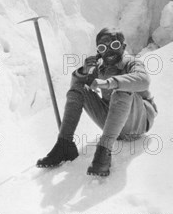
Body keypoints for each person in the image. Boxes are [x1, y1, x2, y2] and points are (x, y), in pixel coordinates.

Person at [36, 27, 158, 176]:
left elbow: (143, 80)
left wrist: (110, 83)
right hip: (115, 125)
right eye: (102, 48)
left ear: (123, 47)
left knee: (121, 91)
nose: (109, 51)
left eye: (114, 45)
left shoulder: (130, 62)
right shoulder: (100, 67)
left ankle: (103, 153)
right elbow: (75, 88)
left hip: (137, 123)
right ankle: (64, 145)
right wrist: (84, 71)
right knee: (79, 88)